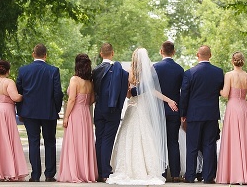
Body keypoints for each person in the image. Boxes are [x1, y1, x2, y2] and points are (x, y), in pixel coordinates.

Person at [107, 47, 179, 185]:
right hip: (144, 108)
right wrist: (169, 100)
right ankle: (147, 169)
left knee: (129, 136)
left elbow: (128, 95)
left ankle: (127, 168)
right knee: (146, 137)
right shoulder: (149, 72)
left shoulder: (130, 73)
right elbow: (153, 91)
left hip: (133, 107)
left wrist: (130, 91)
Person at [16, 44, 64, 182]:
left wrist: (21, 111)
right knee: (50, 141)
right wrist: (56, 108)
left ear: (33, 54)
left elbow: (19, 92)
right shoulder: (53, 71)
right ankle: (49, 174)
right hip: (48, 112)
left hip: (29, 112)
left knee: (33, 141)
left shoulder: (23, 70)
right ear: (45, 55)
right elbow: (57, 93)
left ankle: (35, 174)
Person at [180, 45, 224, 184]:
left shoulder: (189, 73)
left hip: (194, 114)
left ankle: (190, 176)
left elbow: (184, 95)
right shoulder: (218, 72)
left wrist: (183, 113)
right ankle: (209, 176)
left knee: (192, 146)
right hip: (211, 113)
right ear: (210, 55)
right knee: (209, 145)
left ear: (197, 55)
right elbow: (219, 91)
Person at [217, 52, 247, 185]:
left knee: (233, 139)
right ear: (243, 61)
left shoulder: (229, 75)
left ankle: (233, 175)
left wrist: (218, 90)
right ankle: (245, 175)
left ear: (232, 61)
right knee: (244, 139)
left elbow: (224, 94)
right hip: (244, 107)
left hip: (233, 107)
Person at [93, 43, 130, 182]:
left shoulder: (95, 71)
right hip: (113, 110)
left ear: (101, 54)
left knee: (100, 140)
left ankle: (97, 170)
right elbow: (123, 92)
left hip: (99, 109)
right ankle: (105, 172)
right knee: (108, 140)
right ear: (113, 53)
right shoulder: (120, 72)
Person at [58, 54, 98, 183]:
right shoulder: (90, 82)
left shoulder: (74, 79)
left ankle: (75, 172)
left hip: (75, 113)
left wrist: (66, 117)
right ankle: (86, 172)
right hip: (86, 113)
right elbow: (92, 100)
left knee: (74, 142)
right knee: (84, 142)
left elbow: (71, 99)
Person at [154, 40, 185, 182]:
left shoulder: (155, 67)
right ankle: (175, 174)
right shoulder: (180, 69)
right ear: (173, 52)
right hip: (174, 110)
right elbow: (183, 93)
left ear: (161, 51)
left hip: (158, 111)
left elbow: (151, 90)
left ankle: (161, 173)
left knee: (159, 142)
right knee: (173, 142)